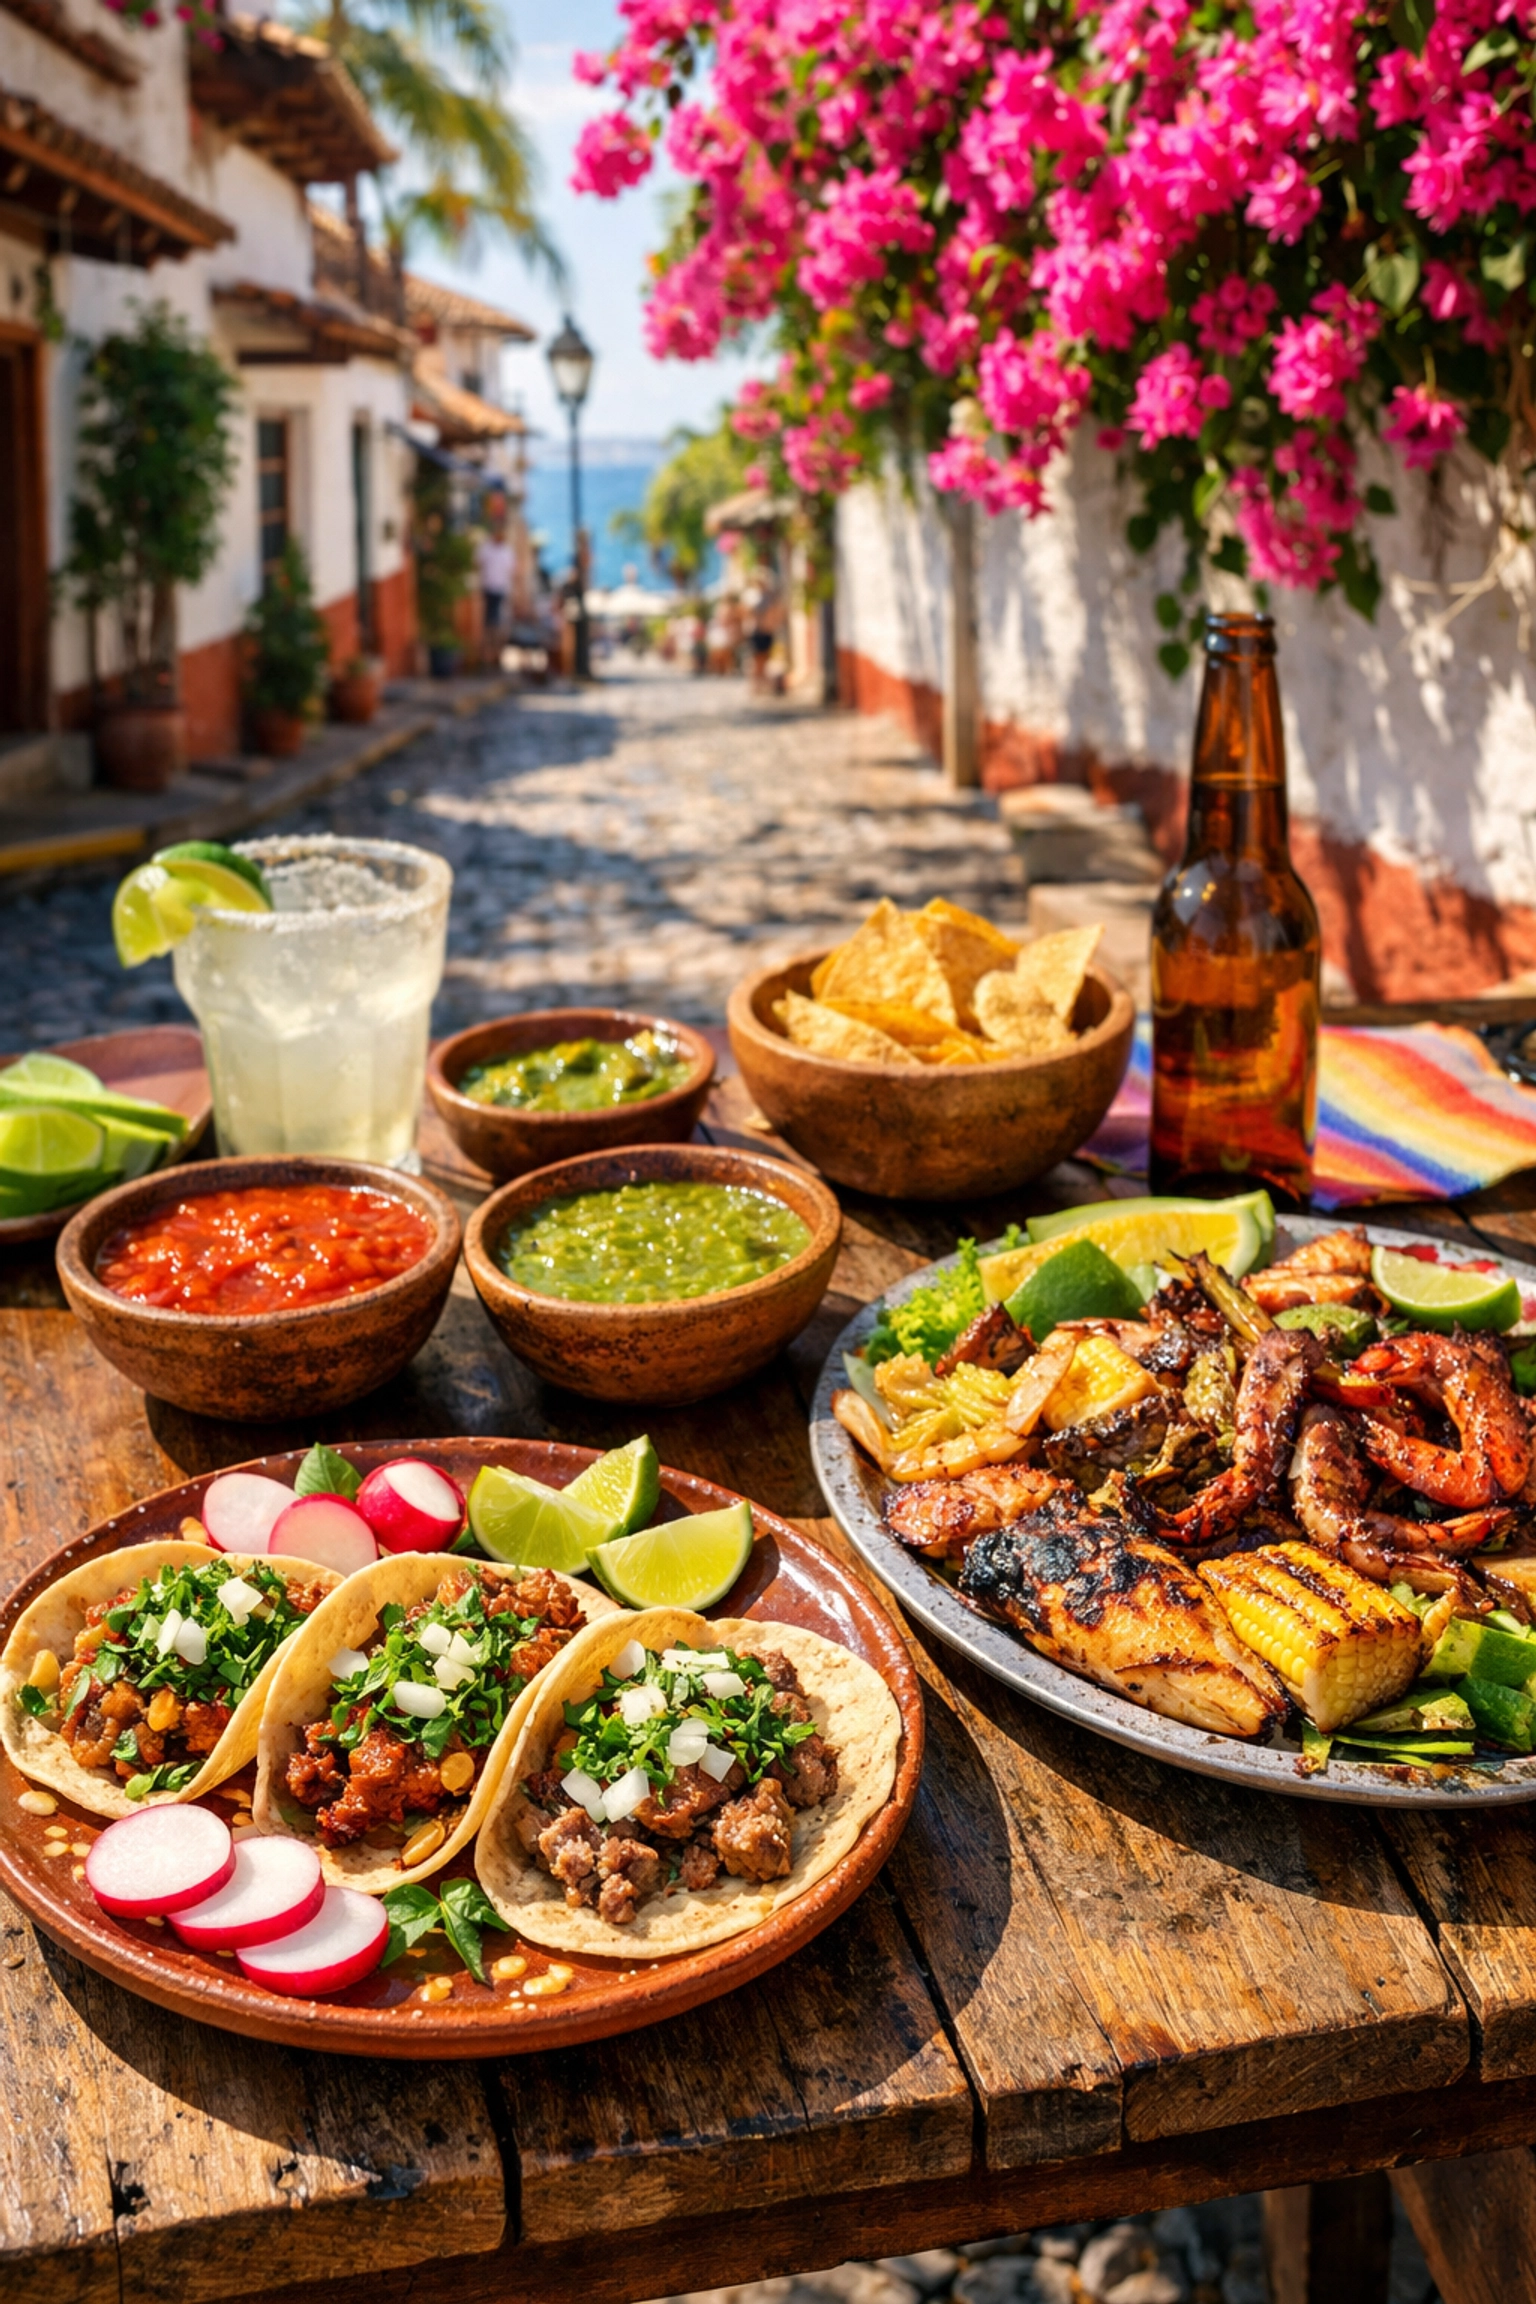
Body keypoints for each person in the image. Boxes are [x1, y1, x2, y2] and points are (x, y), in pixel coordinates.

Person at [477, 527, 514, 663]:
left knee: (496, 621)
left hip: (500, 590)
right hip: (488, 589)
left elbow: (511, 570)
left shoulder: (507, 551)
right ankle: (487, 653)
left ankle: (495, 653)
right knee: (489, 621)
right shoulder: (486, 548)